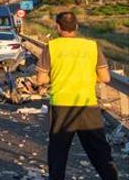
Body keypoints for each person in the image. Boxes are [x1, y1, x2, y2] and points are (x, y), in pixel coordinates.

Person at [35, 12, 118, 180]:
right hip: (87, 105)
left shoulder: (52, 46)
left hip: (61, 106)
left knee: (58, 152)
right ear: (77, 27)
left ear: (57, 27)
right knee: (100, 151)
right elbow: (105, 78)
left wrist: (58, 76)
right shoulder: (92, 46)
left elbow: (41, 79)